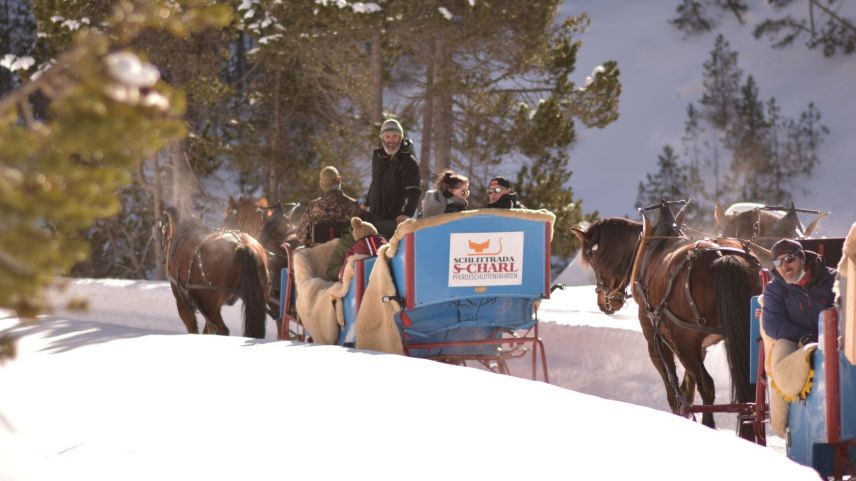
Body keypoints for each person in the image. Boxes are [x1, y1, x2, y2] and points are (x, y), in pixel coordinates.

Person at [762, 238, 836, 344]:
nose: (784, 267)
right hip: (797, 341)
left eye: (789, 259)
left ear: (802, 259)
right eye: (778, 262)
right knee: (782, 347)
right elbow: (773, 324)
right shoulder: (774, 289)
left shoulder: (833, 280)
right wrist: (807, 337)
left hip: (835, 340)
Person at [364, 119, 421, 238]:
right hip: (374, 215)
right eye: (387, 136)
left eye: (395, 136)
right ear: (382, 138)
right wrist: (366, 203)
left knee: (388, 248)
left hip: (393, 219)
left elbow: (414, 190)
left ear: (401, 137)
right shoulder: (377, 156)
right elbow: (375, 181)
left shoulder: (408, 161)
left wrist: (407, 213)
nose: (391, 140)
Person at [295, 166, 362, 247]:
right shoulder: (353, 204)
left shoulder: (313, 207)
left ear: (321, 184)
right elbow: (361, 232)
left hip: (319, 253)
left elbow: (301, 237)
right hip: (347, 252)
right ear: (340, 180)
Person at [325, 217, 388, 282]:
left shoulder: (379, 238)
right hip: (357, 281)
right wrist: (350, 269)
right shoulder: (345, 243)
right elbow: (331, 271)